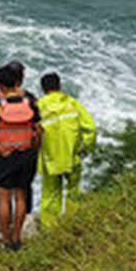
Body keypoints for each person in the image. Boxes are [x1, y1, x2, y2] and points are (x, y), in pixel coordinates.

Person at [0, 63, 41, 250]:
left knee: (4, 197)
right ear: (17, 81)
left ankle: (6, 239)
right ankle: (17, 237)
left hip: (6, 154)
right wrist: (34, 149)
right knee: (21, 195)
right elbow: (38, 129)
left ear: (0, 83)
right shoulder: (30, 100)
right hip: (26, 153)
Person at [36, 72, 97, 231]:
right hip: (73, 157)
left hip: (50, 159)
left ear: (43, 89)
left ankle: (50, 230)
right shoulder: (72, 103)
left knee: (50, 195)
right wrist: (85, 149)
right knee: (73, 191)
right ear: (59, 86)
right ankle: (72, 225)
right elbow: (91, 128)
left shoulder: (39, 106)